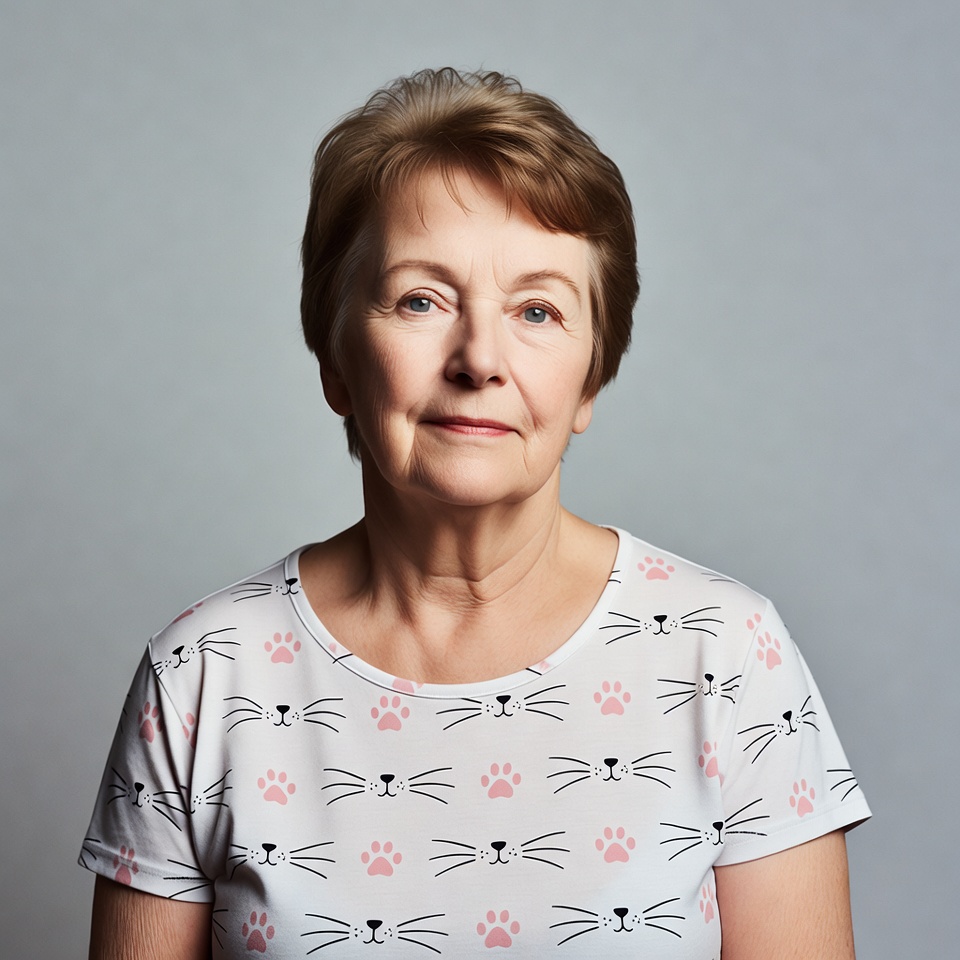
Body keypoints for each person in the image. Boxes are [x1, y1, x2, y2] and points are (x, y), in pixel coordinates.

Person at [81, 68, 870, 959]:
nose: (480, 359)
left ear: (591, 379)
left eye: (538, 310)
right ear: (336, 357)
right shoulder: (202, 678)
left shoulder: (728, 656)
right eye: (422, 299)